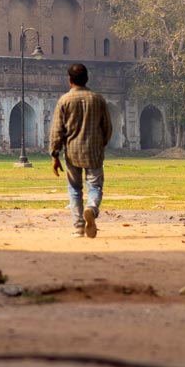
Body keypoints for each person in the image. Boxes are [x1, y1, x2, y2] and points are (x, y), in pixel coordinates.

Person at [50, 63, 113, 238]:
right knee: (94, 186)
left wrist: (55, 155)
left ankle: (78, 226)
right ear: (86, 79)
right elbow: (107, 127)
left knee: (75, 189)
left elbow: (57, 130)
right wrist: (101, 144)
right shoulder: (98, 99)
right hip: (94, 151)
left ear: (70, 80)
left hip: (72, 152)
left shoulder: (64, 101)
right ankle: (91, 208)